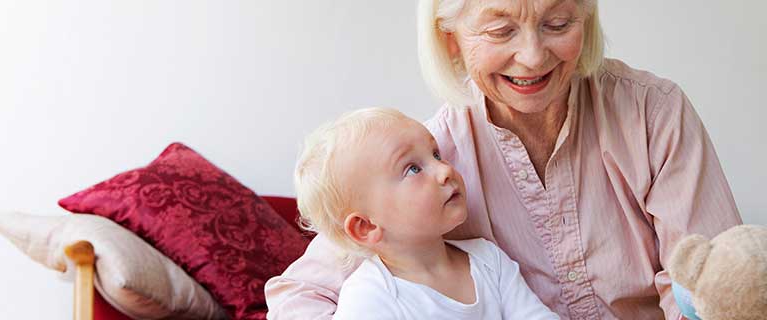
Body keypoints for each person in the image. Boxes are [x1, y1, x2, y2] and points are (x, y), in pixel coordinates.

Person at [266, 0, 743, 319]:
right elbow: (301, 293)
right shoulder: (434, 154)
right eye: (500, 30)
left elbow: (714, 286)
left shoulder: (653, 111)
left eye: (559, 23)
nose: (533, 57)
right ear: (452, 40)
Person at [293, 107, 559, 319]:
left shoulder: (488, 259)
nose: (445, 171)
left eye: (436, 154)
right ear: (366, 227)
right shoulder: (371, 297)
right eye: (413, 169)